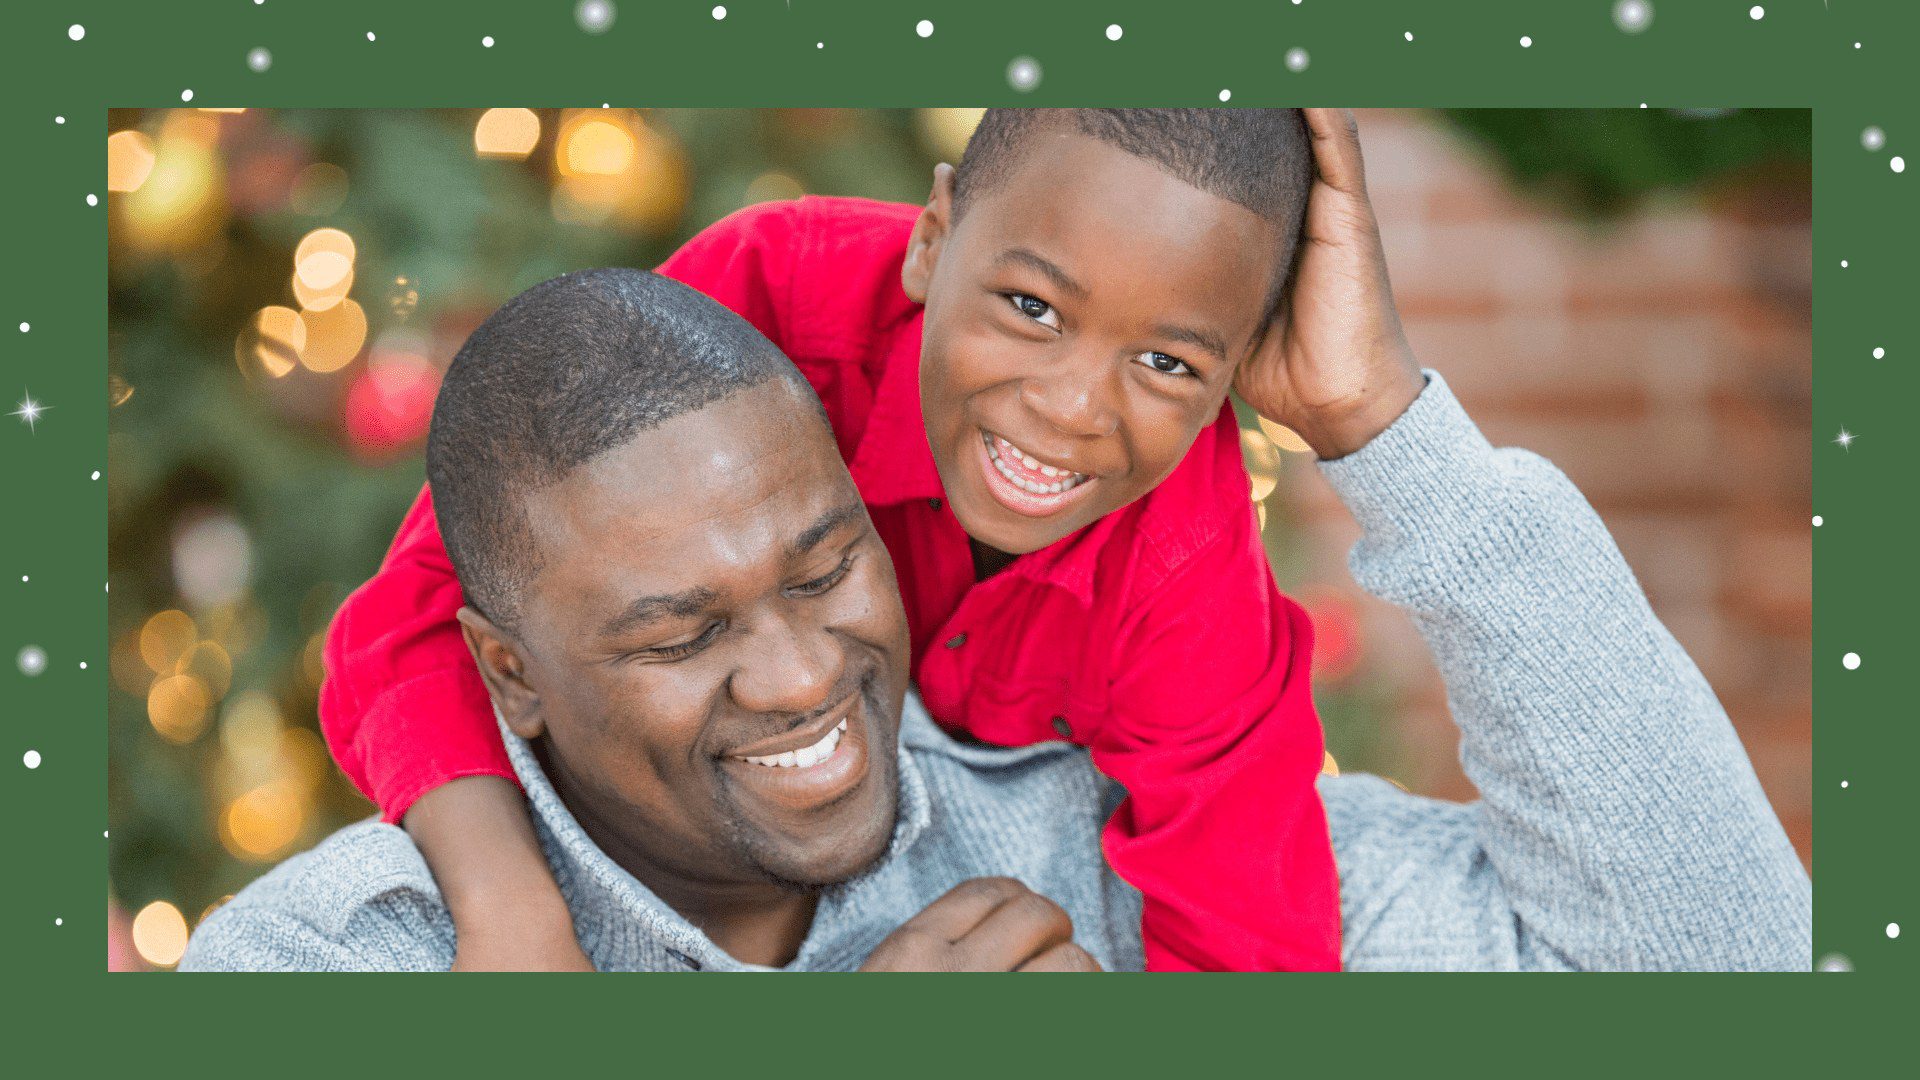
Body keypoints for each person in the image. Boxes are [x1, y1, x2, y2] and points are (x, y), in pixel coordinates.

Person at [182, 268, 1810, 973]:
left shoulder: (1104, 855)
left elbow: (1732, 971)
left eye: (825, 567)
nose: (809, 675)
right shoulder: (344, 965)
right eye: (682, 634)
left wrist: (1393, 433)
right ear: (509, 677)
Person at [323, 108, 1408, 972]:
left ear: (1238, 372)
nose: (1074, 407)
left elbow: (1251, 944)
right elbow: (411, 623)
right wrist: (512, 916)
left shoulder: (1186, 561)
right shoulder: (766, 302)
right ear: (934, 238)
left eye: (1170, 363)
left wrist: (1380, 411)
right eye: (1031, 306)